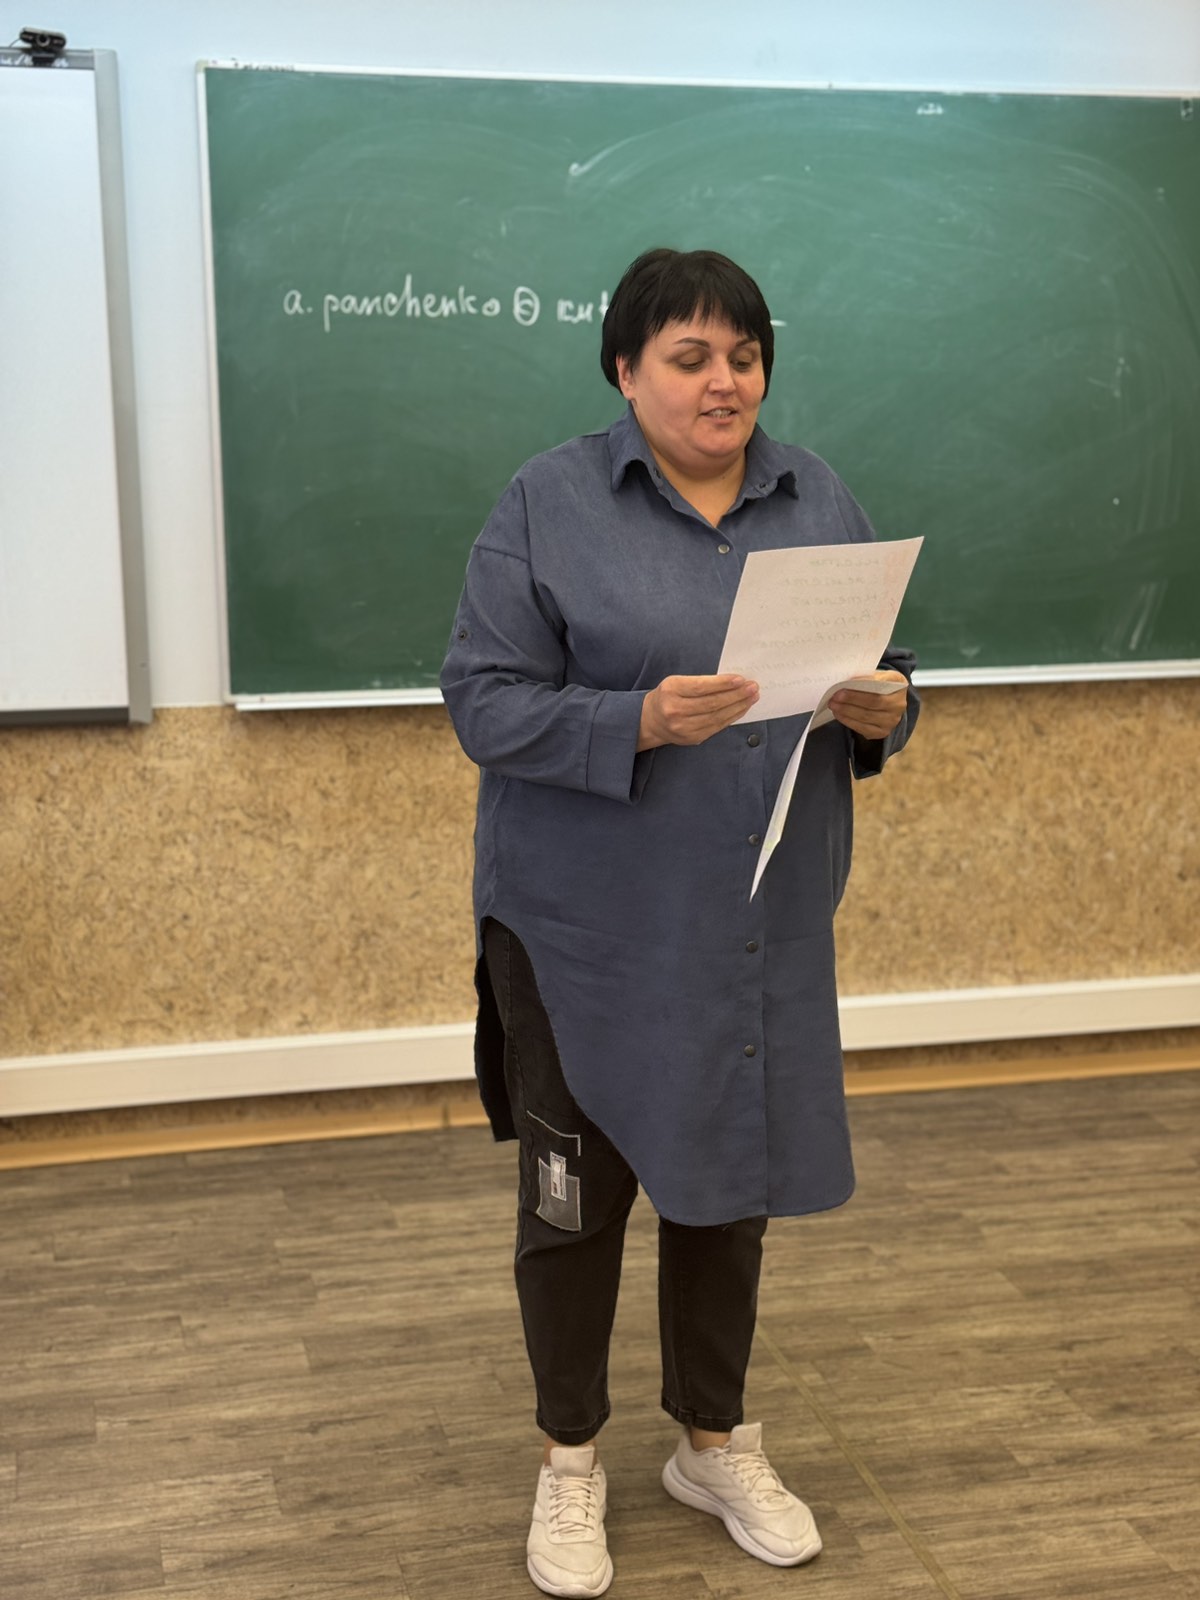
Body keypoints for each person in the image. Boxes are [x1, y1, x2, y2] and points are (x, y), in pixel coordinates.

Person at [440, 247, 919, 1598]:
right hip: (581, 933)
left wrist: (888, 707)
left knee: (728, 1188)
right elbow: (482, 701)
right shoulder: (547, 502)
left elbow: (884, 669)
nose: (725, 382)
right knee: (575, 1201)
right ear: (625, 370)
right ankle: (569, 1459)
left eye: (745, 356)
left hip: (751, 927)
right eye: (690, 357)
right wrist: (634, 720)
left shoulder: (817, 494)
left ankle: (713, 1441)